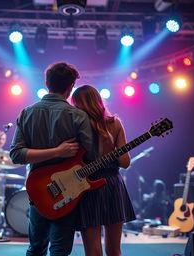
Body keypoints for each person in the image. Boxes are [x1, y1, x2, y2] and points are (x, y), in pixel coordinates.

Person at [10, 62, 96, 256]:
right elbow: (91, 157)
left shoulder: (27, 112)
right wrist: (57, 151)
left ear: (46, 82)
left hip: (38, 189)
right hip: (67, 193)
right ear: (70, 87)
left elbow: (16, 154)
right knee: (59, 249)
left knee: (35, 248)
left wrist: (54, 152)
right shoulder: (78, 116)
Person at [71, 85, 136, 256]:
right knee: (115, 250)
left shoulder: (76, 125)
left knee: (92, 251)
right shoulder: (115, 123)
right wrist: (113, 151)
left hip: (86, 185)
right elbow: (125, 163)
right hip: (113, 184)